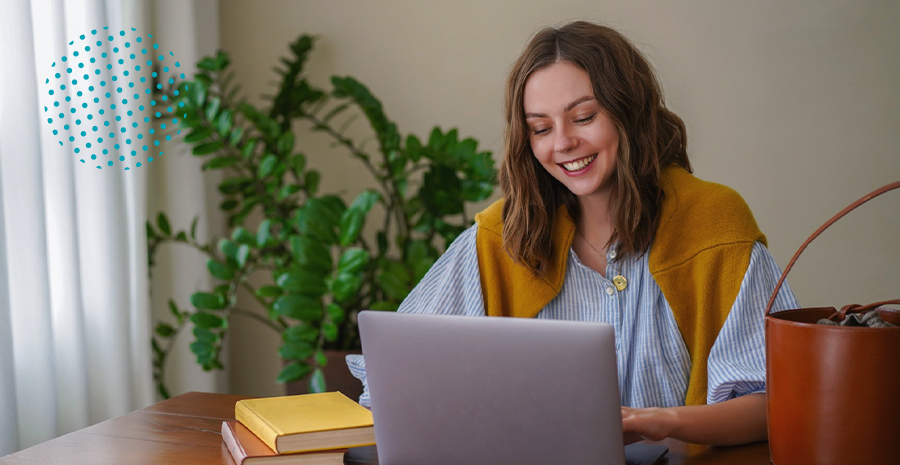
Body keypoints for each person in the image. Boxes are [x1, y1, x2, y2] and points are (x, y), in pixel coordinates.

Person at [346, 21, 798, 447]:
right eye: (540, 128)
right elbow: (390, 376)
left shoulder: (714, 223)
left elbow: (774, 402)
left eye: (583, 117)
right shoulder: (499, 237)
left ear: (630, 112)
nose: (561, 143)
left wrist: (657, 423)